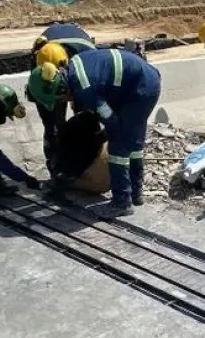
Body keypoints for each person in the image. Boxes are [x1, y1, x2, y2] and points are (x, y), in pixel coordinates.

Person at [30, 48, 161, 217]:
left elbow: (112, 122)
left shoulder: (84, 88)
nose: (63, 101)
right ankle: (136, 193)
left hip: (140, 90)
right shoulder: (73, 68)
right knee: (133, 140)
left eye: (60, 99)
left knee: (119, 147)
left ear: (60, 89)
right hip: (140, 82)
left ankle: (122, 203)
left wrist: (99, 138)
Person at [27, 22, 96, 168]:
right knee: (52, 125)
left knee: (86, 118)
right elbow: (37, 90)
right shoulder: (38, 56)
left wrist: (78, 104)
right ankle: (55, 163)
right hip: (52, 76)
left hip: (78, 76)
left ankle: (83, 160)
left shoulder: (86, 54)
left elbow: (91, 91)